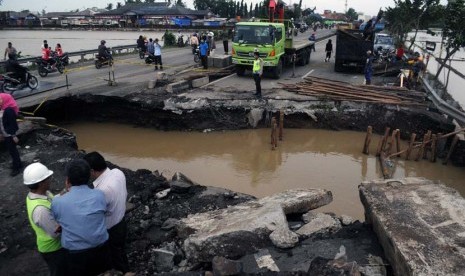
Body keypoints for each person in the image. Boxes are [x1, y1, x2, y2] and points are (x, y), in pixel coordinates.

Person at [51, 159, 110, 276]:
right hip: (101, 247)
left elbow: (57, 219)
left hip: (75, 252)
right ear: (89, 176)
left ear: (67, 180)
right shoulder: (99, 195)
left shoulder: (58, 202)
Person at [83, 152, 129, 274]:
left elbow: (93, 214)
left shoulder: (102, 191)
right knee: (120, 251)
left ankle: (122, 272)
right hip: (121, 221)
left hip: (111, 229)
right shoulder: (117, 172)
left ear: (92, 171)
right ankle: (125, 269)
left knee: (114, 257)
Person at [24, 162, 66, 276]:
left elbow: (53, 201)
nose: (50, 179)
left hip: (55, 247)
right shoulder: (40, 210)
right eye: (48, 178)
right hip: (54, 249)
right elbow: (56, 232)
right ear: (41, 183)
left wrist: (65, 192)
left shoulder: (41, 193)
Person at [0, 93, 22, 176]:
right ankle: (18, 164)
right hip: (6, 134)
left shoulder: (9, 110)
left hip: (10, 135)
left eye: (1, 99)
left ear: (5, 99)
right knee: (12, 151)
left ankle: (17, 168)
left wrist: (13, 135)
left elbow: (13, 124)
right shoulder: (3, 109)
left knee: (13, 151)